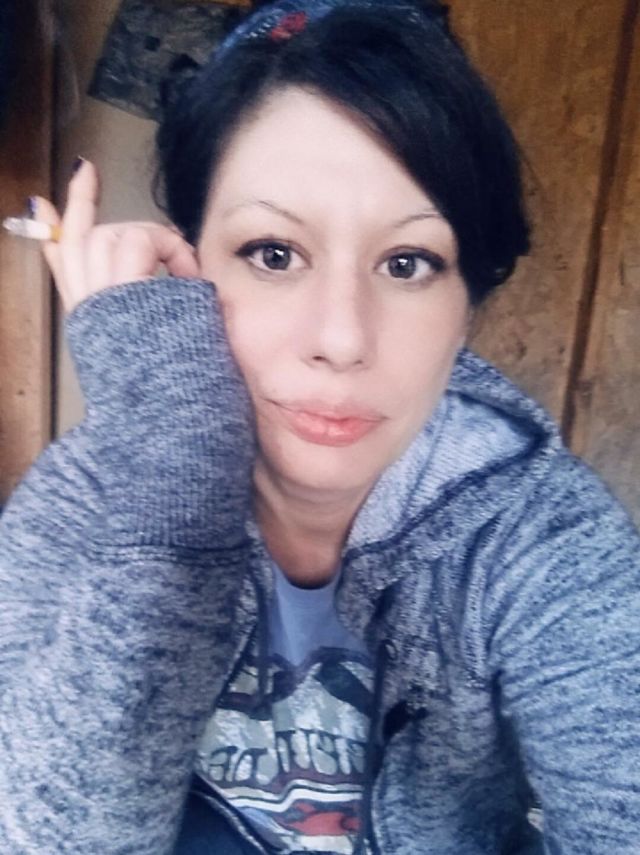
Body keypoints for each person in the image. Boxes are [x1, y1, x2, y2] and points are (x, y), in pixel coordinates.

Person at [0, 1, 638, 853]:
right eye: (273, 253)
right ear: (190, 264)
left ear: (468, 305)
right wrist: (174, 484)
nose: (341, 338)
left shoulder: (540, 534)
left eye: (408, 263)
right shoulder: (80, 499)